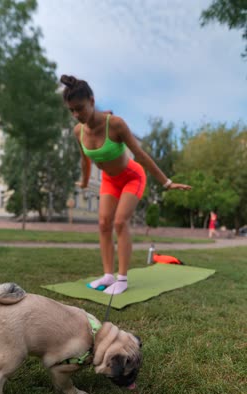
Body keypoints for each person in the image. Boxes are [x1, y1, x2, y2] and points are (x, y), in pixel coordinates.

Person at [60, 75, 191, 295]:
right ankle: (108, 275)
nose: (76, 115)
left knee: (120, 222)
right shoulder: (78, 131)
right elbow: (85, 161)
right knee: (103, 223)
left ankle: (122, 278)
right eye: (71, 110)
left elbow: (139, 154)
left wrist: (167, 182)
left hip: (132, 176)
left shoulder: (116, 124)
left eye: (79, 108)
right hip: (110, 181)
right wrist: (83, 182)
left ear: (92, 101)